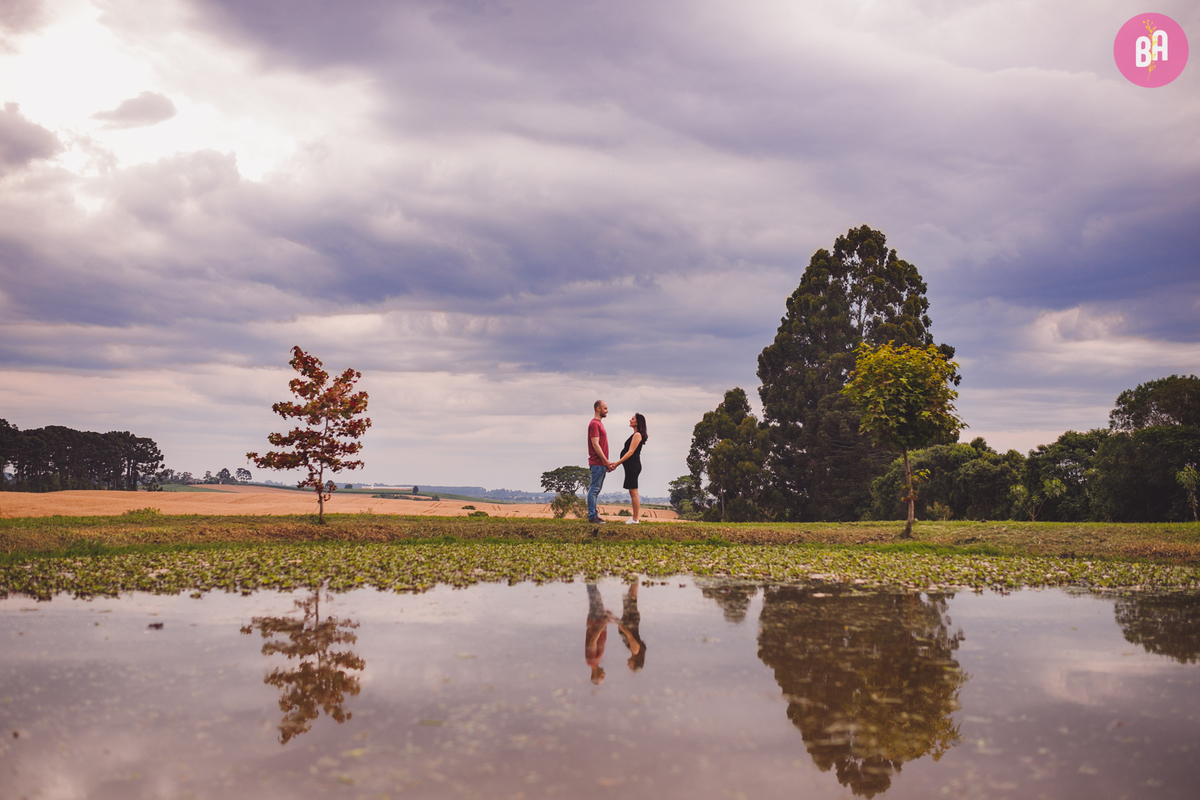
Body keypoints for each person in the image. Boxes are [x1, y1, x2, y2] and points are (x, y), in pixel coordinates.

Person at [610, 413, 647, 523]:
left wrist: (617, 463)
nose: (630, 420)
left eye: (632, 419)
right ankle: (635, 518)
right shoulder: (635, 434)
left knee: (634, 492)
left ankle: (635, 519)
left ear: (637, 422)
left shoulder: (637, 435)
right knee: (632, 492)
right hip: (630, 466)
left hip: (633, 465)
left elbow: (630, 452)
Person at [586, 400, 612, 524]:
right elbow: (595, 445)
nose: (607, 411)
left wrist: (605, 463)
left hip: (600, 463)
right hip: (597, 463)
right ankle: (592, 516)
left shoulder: (598, 423)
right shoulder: (595, 424)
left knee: (596, 490)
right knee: (594, 490)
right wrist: (606, 462)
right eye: (605, 408)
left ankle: (594, 514)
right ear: (598, 409)